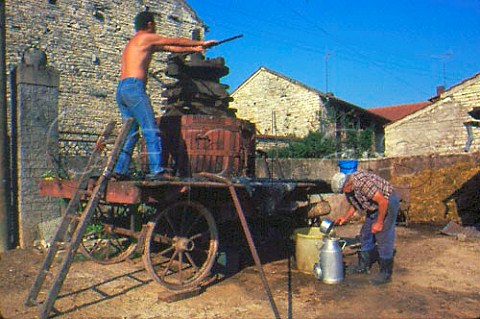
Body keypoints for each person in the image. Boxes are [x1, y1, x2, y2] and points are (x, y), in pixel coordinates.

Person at [112, 11, 217, 180]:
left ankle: (119, 170)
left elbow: (170, 47)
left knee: (131, 132)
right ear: (149, 24)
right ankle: (157, 171)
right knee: (151, 128)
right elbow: (173, 41)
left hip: (122, 89)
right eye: (155, 24)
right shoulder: (146, 37)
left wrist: (195, 48)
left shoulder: (135, 43)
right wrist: (202, 41)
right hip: (134, 87)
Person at [332, 169, 399, 285]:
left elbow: (383, 202)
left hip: (387, 201)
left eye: (343, 190)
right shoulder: (350, 189)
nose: (343, 193)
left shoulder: (363, 183)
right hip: (374, 205)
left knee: (383, 237)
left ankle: (385, 273)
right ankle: (363, 266)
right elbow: (355, 204)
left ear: (348, 184)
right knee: (365, 234)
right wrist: (345, 218)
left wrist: (379, 223)